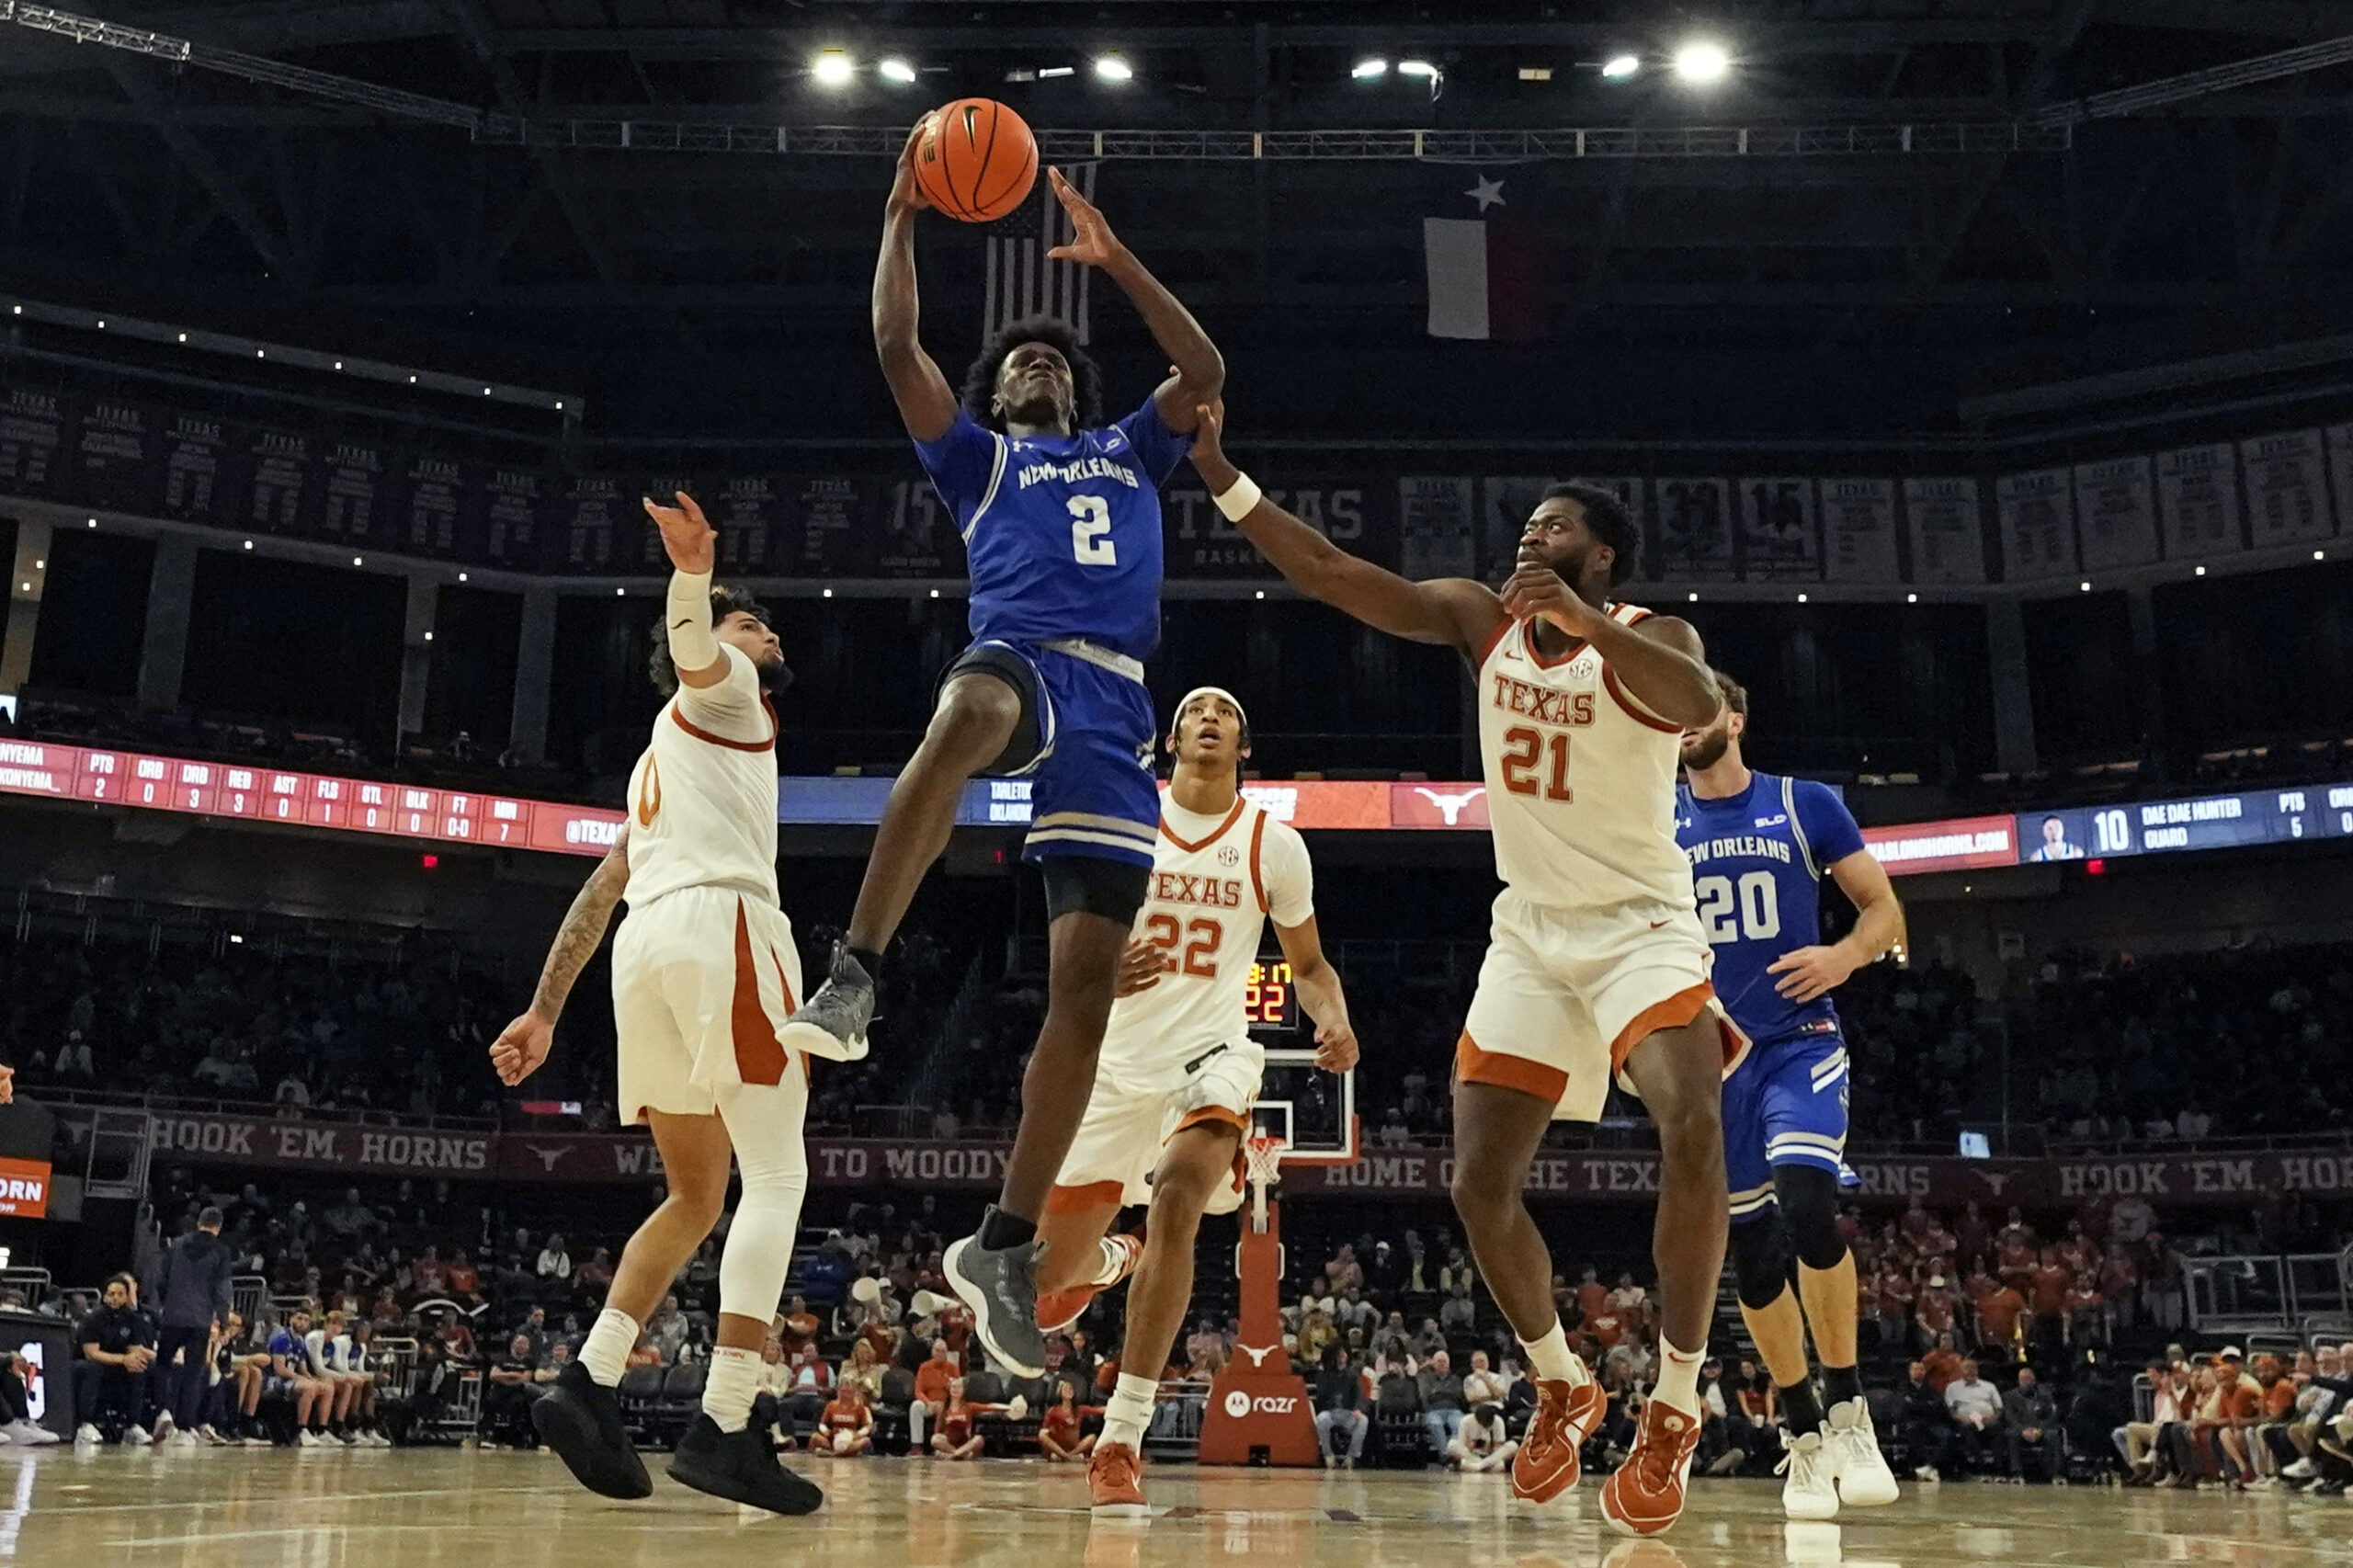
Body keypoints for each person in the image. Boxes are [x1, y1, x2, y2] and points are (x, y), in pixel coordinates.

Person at [1189, 407, 1735, 1539]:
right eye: (1526, 529)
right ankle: (1559, 1382)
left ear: (1602, 557)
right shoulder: (1476, 620)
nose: (1529, 541)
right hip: (1532, 931)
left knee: (1693, 1128)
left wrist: (1587, 621)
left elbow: (1693, 701)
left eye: (1555, 532)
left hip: (1639, 923)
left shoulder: (1650, 633)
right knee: (1477, 1181)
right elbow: (1337, 573)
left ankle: (1675, 1402)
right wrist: (1223, 477)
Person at [782, 123, 1224, 1383]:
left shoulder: (1133, 443)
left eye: (1047, 356)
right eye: (1015, 359)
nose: (1032, 362)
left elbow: (1204, 363)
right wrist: (899, 218)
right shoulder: (976, 460)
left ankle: (1005, 1242)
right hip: (1021, 658)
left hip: (1117, 715)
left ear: (1072, 386)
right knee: (968, 710)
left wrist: (1118, 257)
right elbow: (893, 347)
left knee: (1085, 992)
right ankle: (856, 971)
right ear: (998, 397)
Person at [490, 490, 821, 1517]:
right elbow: (691, 640)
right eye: (746, 617)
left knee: (693, 1195)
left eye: (763, 621)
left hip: (644, 953)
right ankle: (725, 1419)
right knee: (778, 1172)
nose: (763, 628)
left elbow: (599, 890)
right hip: (724, 927)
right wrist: (689, 577)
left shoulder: (654, 760)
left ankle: (587, 1379)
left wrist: (546, 1010)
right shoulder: (725, 698)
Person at [1027, 686, 1356, 1515]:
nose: (1210, 717)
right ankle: (1111, 1260)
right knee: (1045, 1288)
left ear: (1244, 745)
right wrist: (1101, 971)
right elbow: (1065, 951)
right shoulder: (1128, 821)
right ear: (1170, 739)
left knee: (1179, 1195)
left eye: (1227, 713)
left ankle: (1120, 1440)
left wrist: (1335, 1020)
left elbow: (1308, 967)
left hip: (1212, 1058)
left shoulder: (1273, 845)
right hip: (1113, 1066)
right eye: (1195, 711)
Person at [1677, 672, 1905, 1521]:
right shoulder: (1650, 817)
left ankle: (1850, 1409)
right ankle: (1802, 1428)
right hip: (1707, 1063)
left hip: (1798, 1042)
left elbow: (1882, 907)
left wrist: (1843, 958)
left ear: (1735, 717)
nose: (1682, 720)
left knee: (1809, 1201)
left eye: (1698, 705)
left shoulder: (1802, 802)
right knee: (1754, 1252)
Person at [151, 1204, 234, 1443]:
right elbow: (222, 1289)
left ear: (199, 1222)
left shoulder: (176, 1244)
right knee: (193, 1371)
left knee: (164, 1364)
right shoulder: (221, 1250)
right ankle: (186, 1427)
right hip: (200, 1320)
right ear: (218, 1227)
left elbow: (160, 1279)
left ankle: (163, 1411)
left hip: (173, 1315)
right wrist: (224, 1321)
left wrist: (168, 1302)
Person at [74, 1274, 161, 1446]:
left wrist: (134, 1359)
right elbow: (92, 1353)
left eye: (120, 1294)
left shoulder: (132, 1318)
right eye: (111, 1294)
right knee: (94, 1367)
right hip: (87, 1365)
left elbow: (136, 1348)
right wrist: (123, 1359)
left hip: (116, 1365)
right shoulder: (94, 1318)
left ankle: (132, 1426)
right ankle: (85, 1425)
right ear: (105, 1295)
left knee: (140, 1367)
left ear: (127, 1296)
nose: (115, 1298)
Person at [1944, 1358, 2004, 1474]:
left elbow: (1999, 1408)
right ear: (1961, 1370)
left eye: (1973, 1368)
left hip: (1988, 1421)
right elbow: (1951, 1411)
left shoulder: (1989, 1386)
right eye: (1967, 1367)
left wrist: (1992, 1419)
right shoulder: (1952, 1388)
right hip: (1966, 1421)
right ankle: (1980, 1466)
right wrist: (1962, 1418)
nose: (1971, 1371)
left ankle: (1999, 1468)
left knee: (1997, 1428)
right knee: (1967, 1429)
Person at [2003, 1367, 2063, 1481]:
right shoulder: (2009, 1396)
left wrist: (2039, 1430)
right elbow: (2009, 1417)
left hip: (2039, 1429)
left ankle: (2057, 1473)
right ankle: (2016, 1472)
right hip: (2020, 1430)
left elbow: (2051, 1415)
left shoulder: (2045, 1396)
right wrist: (2023, 1430)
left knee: (2053, 1434)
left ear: (2033, 1380)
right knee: (2011, 1434)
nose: (2025, 1382)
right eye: (2022, 1379)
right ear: (2018, 1380)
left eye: (2028, 1379)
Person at [1315, 1347, 1370, 1469]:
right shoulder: (1325, 1375)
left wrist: (1358, 1409)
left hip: (1347, 1412)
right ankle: (1328, 1455)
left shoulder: (1353, 1375)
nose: (1342, 1356)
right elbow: (1321, 1395)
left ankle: (1351, 1457)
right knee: (1321, 1419)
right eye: (1339, 1354)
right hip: (1329, 1412)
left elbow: (1360, 1395)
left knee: (1363, 1420)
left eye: (1344, 1353)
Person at [909, 1337, 956, 1450]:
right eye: (937, 1350)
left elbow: (958, 1390)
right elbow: (918, 1391)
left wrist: (945, 1404)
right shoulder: (924, 1367)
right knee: (916, 1406)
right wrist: (929, 1403)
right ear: (932, 1352)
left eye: (943, 1351)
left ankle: (942, 1444)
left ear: (947, 1353)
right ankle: (917, 1445)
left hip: (947, 1405)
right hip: (929, 1403)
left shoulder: (953, 1368)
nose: (940, 1354)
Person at [1449, 1403, 1520, 1473]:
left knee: (1513, 1445)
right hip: (1472, 1456)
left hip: (1491, 1456)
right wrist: (1471, 1445)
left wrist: (1490, 1448)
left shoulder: (1498, 1421)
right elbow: (1462, 1445)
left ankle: (1478, 1466)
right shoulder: (1466, 1421)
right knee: (1452, 1444)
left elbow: (1498, 1446)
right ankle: (1481, 1465)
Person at [1039, 1381, 1097, 1463]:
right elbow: (1044, 1430)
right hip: (1059, 1447)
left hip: (1074, 1447)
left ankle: (1069, 1456)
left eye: (1070, 1389)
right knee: (1042, 1434)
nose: (1069, 1391)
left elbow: (1099, 1410)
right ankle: (1063, 1455)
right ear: (1060, 1393)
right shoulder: (1053, 1411)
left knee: (1092, 1437)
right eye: (1066, 1389)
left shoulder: (1080, 1409)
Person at [931, 1378, 986, 1460]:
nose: (956, 1390)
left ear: (963, 1390)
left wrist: (1009, 1407)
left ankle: (954, 1455)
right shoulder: (942, 1407)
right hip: (949, 1442)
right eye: (953, 1387)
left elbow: (989, 1407)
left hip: (965, 1442)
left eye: (959, 1387)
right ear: (949, 1389)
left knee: (979, 1439)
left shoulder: (969, 1406)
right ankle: (960, 1454)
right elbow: (937, 1430)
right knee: (935, 1439)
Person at [813, 1383, 874, 1458]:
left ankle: (837, 1454)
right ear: (839, 1392)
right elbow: (822, 1423)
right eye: (843, 1391)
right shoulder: (831, 1405)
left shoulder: (859, 1407)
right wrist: (825, 1431)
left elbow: (867, 1426)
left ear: (854, 1393)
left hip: (851, 1438)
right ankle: (843, 1453)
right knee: (815, 1437)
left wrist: (859, 1434)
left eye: (849, 1392)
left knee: (866, 1441)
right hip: (834, 1437)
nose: (846, 1394)